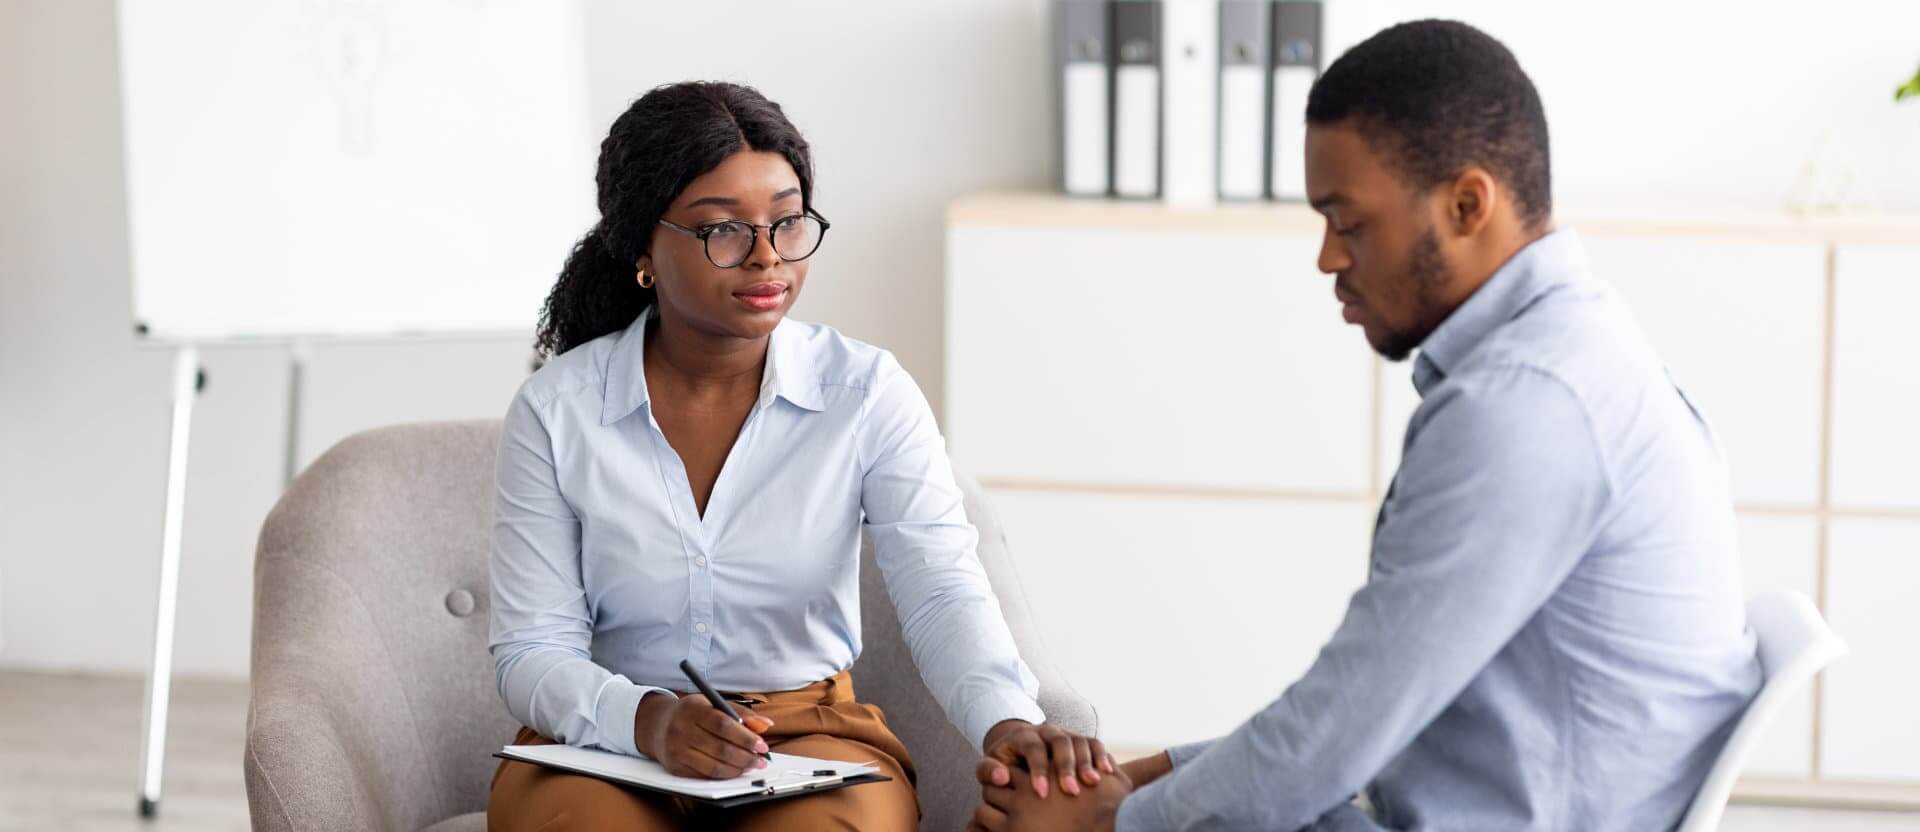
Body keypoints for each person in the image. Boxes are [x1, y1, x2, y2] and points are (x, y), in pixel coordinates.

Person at [970, 19, 1761, 832]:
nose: (1327, 258)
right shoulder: (1569, 354)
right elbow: (1361, 715)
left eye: (1348, 223)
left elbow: (1339, 733)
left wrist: (1113, 823)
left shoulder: (1526, 409)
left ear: (1467, 205)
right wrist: (1139, 783)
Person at [485, 81, 1107, 830]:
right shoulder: (557, 410)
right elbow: (532, 647)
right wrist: (648, 719)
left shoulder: (866, 393)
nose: (767, 257)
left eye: (786, 222)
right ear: (643, 246)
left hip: (809, 735)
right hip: (612, 741)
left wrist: (1008, 720)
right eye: (724, 230)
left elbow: (941, 590)